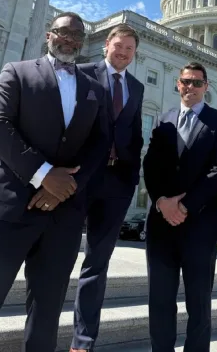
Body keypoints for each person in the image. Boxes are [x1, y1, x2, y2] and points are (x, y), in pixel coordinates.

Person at [0, 12, 109, 352]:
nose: (70, 39)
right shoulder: (17, 71)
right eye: (64, 32)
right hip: (10, 207)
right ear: (49, 35)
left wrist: (65, 189)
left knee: (47, 310)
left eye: (77, 35)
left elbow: (99, 145)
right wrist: (45, 175)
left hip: (62, 215)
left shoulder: (94, 87)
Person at [143, 62, 217, 352]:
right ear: (177, 84)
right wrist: (160, 201)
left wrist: (184, 205)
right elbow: (150, 165)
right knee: (159, 299)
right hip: (160, 224)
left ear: (207, 87)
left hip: (200, 223)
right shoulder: (163, 120)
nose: (190, 87)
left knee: (198, 301)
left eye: (197, 83)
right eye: (186, 82)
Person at [71, 24, 144, 352]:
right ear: (105, 46)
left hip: (116, 184)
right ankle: (41, 329)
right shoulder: (81, 73)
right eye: (119, 46)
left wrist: (132, 177)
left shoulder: (136, 87)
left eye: (130, 48)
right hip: (77, 181)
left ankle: (83, 341)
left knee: (97, 265)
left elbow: (135, 133)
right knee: (57, 258)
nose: (123, 52)